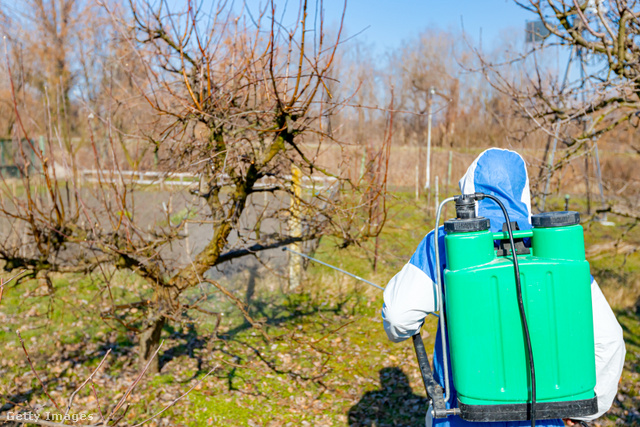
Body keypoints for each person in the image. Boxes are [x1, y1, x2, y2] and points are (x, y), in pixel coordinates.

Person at [381, 148, 626, 427]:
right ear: (524, 192)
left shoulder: (444, 242)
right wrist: (582, 410)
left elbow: (398, 316)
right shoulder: (554, 247)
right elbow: (610, 341)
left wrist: (408, 328)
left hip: (461, 415)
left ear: (469, 188)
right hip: (541, 417)